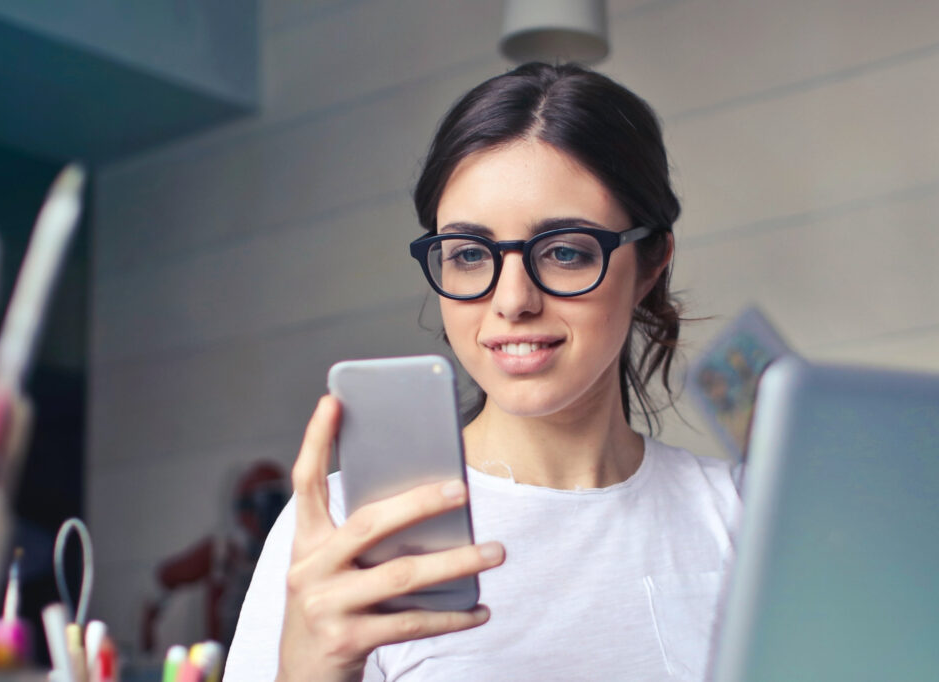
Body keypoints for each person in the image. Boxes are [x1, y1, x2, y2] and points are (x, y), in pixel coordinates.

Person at [224, 62, 741, 681]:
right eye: (470, 254)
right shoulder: (345, 534)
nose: (512, 301)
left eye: (565, 251)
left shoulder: (742, 515)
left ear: (652, 262)